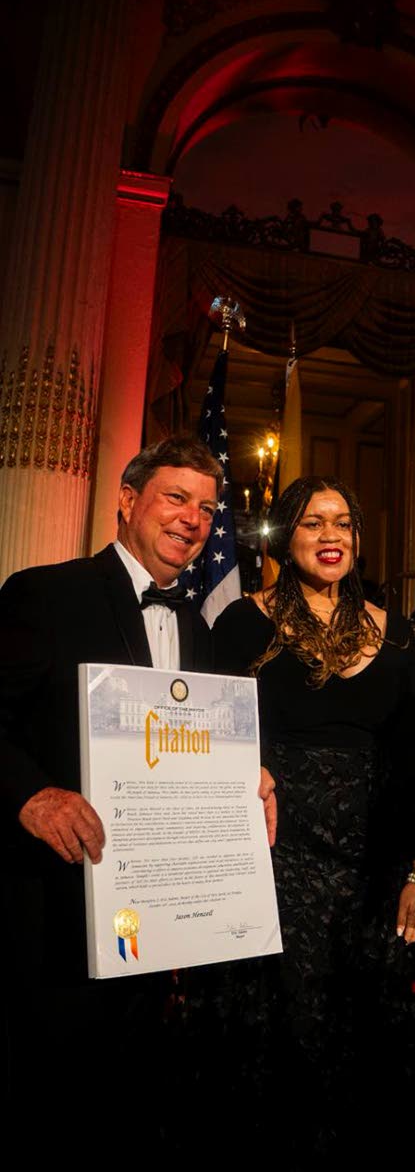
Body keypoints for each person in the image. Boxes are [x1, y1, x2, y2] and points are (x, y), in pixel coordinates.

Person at [0, 436, 226, 1149]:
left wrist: (244, 773)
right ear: (128, 501)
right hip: (57, 913)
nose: (193, 518)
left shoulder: (199, 627)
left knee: (134, 1110)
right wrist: (32, 795)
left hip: (156, 921)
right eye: (176, 497)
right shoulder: (46, 592)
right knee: (53, 1103)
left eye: (207, 508)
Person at [212, 475, 415, 1159]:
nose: (330, 536)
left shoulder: (396, 638)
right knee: (288, 1022)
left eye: (342, 522)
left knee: (365, 1026)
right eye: (312, 523)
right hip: (276, 852)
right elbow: (212, 735)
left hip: (373, 861)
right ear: (284, 535)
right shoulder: (241, 623)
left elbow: (411, 761)